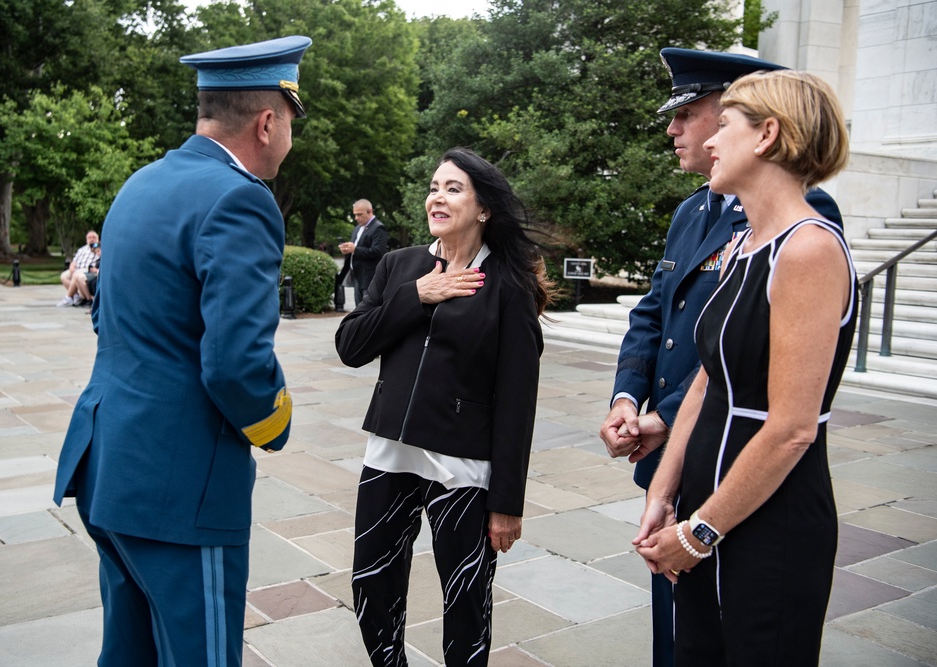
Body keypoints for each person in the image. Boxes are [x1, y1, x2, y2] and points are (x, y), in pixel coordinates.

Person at [52, 35, 311, 666]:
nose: (289, 140)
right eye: (291, 125)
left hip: (110, 465)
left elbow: (105, 316)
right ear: (268, 121)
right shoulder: (241, 198)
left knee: (130, 654)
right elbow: (234, 364)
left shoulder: (141, 184)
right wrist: (275, 421)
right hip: (181, 486)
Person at [596, 48, 843, 667]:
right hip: (703, 496)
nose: (704, 143)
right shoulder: (742, 244)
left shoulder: (809, 246)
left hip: (764, 510)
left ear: (767, 134)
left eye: (721, 123)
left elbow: (789, 429)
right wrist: (665, 492)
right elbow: (706, 379)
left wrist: (700, 531)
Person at [336, 148, 555, 667]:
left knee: (466, 600)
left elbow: (518, 399)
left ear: (483, 209)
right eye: (435, 186)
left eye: (453, 188)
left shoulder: (509, 282)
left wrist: (507, 500)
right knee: (371, 586)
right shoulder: (400, 265)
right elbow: (351, 346)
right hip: (390, 454)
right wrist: (418, 293)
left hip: (463, 466)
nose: (437, 195)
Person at [338, 198, 389, 304]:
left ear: (370, 211)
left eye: (360, 214)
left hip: (370, 277)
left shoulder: (378, 228)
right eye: (355, 215)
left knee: (368, 310)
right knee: (358, 310)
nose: (356, 218)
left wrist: (355, 249)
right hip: (357, 274)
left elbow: (377, 251)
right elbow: (356, 249)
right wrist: (347, 250)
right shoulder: (357, 228)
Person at [57, 230, 99, 307]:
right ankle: (76, 295)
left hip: (87, 269)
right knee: (64, 276)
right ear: (86, 239)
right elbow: (74, 261)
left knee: (76, 274)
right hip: (77, 268)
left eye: (94, 237)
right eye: (89, 238)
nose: (92, 239)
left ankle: (68, 297)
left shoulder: (99, 248)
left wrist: (95, 249)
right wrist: (72, 267)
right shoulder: (82, 249)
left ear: (97, 238)